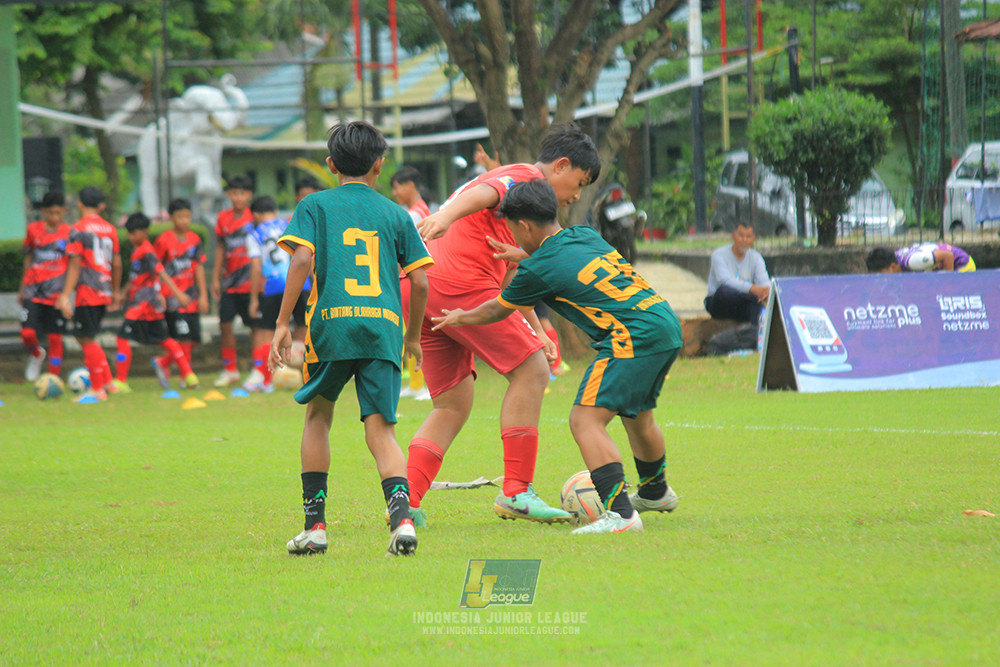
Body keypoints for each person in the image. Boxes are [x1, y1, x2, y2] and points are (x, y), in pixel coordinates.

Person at [432, 179, 683, 534]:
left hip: (631, 336)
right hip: (663, 324)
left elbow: (495, 310)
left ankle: (622, 516)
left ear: (524, 226)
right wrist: (525, 255)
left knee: (585, 420)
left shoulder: (538, 269)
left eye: (515, 231)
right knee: (638, 417)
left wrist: (460, 316)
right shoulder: (584, 234)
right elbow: (566, 261)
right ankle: (656, 491)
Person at [408, 122, 601, 526]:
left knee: (452, 403)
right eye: (578, 183)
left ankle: (406, 501)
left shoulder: (521, 213)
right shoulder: (527, 177)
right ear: (560, 166)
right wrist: (444, 215)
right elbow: (487, 193)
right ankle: (516, 491)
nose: (576, 195)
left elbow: (510, 281)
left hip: (424, 287)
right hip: (457, 283)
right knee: (531, 370)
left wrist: (535, 329)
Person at [268, 121, 433, 557]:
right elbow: (419, 283)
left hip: (331, 326)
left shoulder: (315, 205)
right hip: (382, 328)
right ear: (380, 165)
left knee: (318, 416)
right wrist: (412, 337)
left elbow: (302, 257)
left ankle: (315, 527)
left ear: (330, 165)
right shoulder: (396, 213)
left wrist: (284, 322)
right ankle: (401, 523)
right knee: (382, 430)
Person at [113, 213, 199, 391]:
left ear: (144, 232)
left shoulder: (147, 251)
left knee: (122, 338)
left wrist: (178, 294)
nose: (130, 237)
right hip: (146, 304)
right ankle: (189, 375)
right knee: (166, 340)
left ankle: (121, 380)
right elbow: (137, 277)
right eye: (128, 233)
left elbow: (162, 273)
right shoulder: (138, 251)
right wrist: (123, 293)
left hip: (142, 305)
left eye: (133, 233)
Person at [56, 186, 122, 402]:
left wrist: (65, 295)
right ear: (101, 206)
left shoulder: (78, 229)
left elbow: (75, 265)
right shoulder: (110, 229)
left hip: (87, 290)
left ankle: (97, 389)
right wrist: (115, 291)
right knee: (87, 336)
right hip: (103, 289)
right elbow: (117, 263)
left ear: (80, 204)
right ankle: (109, 382)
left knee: (86, 337)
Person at [152, 198, 209, 387]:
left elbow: (198, 267)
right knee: (183, 338)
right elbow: (156, 268)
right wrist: (161, 293)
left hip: (191, 296)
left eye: (187, 216)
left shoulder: (195, 239)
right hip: (173, 297)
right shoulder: (164, 240)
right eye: (180, 217)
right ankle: (188, 376)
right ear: (171, 218)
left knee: (193, 339)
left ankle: (163, 362)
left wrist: (203, 295)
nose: (184, 220)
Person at [245, 195, 298, 393]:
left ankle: (265, 380)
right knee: (300, 327)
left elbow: (256, 268)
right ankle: (299, 373)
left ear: (255, 215)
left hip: (274, 285)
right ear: (275, 212)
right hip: (299, 283)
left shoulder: (254, 234)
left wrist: (253, 299)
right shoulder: (287, 226)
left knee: (269, 332)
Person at [390, 166, 432, 401]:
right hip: (417, 276)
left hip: (413, 277)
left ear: (411, 185)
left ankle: (422, 384)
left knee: (414, 331)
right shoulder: (422, 210)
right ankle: (416, 384)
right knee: (410, 330)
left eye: (397, 187)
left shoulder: (415, 215)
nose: (395, 193)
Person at [20, 190, 70, 381]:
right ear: (43, 212)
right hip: (33, 290)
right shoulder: (33, 230)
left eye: (58, 213)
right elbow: (29, 258)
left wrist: (66, 295)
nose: (54, 217)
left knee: (55, 338)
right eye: (50, 213)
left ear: (64, 211)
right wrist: (22, 287)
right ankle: (36, 354)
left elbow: (73, 265)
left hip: (56, 294)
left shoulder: (69, 233)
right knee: (27, 333)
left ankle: (53, 379)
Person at [210, 174, 255, 387]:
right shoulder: (223, 218)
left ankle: (259, 368)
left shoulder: (254, 217)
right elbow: (220, 247)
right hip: (229, 282)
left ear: (249, 195)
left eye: (242, 193)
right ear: (228, 195)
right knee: (225, 324)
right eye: (234, 193)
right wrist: (216, 278)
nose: (238, 197)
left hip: (250, 281)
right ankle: (230, 369)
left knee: (257, 326)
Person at [704, 223, 770, 326]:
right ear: (733, 236)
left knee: (757, 304)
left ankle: (756, 337)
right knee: (725, 290)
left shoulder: (756, 258)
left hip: (744, 303)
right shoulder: (719, 255)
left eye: (748, 237)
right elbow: (725, 281)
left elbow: (765, 283)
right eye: (741, 235)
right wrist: (752, 289)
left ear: (753, 239)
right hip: (720, 303)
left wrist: (765, 291)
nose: (744, 240)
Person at [866, 243, 976, 273]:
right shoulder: (894, 258)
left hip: (963, 263)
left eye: (881, 273)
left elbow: (948, 256)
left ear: (892, 266)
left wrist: (948, 285)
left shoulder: (912, 262)